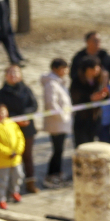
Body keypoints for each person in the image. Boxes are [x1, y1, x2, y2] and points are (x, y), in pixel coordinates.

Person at [0, 65, 38, 194]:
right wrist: (15, 119)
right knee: (11, 156)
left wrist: (25, 115)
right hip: (9, 130)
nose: (13, 75)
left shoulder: (26, 89)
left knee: (28, 156)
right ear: (6, 76)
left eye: (16, 72)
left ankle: (30, 183)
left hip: (27, 127)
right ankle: (10, 187)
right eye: (11, 73)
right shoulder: (1, 93)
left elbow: (34, 105)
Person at [41, 59, 71, 187]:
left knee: (60, 150)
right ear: (56, 69)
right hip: (56, 123)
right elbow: (51, 104)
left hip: (61, 123)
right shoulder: (51, 84)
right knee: (57, 150)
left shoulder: (59, 82)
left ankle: (57, 173)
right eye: (64, 68)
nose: (66, 71)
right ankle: (51, 175)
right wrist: (63, 117)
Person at [70, 59, 108, 147]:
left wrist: (104, 95)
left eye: (97, 68)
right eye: (93, 69)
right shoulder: (77, 81)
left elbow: (104, 93)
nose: (96, 71)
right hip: (82, 118)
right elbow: (75, 98)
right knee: (82, 144)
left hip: (95, 116)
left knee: (93, 143)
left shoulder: (100, 79)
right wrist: (89, 98)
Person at [0, 104, 24, 208]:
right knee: (2, 180)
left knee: (17, 176)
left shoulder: (12, 123)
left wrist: (18, 150)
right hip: (1, 160)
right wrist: (8, 152)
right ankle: (0, 199)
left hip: (15, 159)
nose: (1, 114)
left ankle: (14, 192)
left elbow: (20, 137)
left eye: (3, 111)